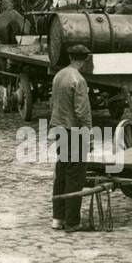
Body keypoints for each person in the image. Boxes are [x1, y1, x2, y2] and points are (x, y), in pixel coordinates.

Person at [51, 44, 93, 232]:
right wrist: (88, 135)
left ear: (70, 57)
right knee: (75, 176)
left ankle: (57, 218)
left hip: (59, 128)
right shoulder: (79, 80)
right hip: (74, 131)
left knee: (61, 173)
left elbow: (53, 103)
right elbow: (82, 111)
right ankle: (72, 222)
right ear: (84, 60)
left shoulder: (59, 75)